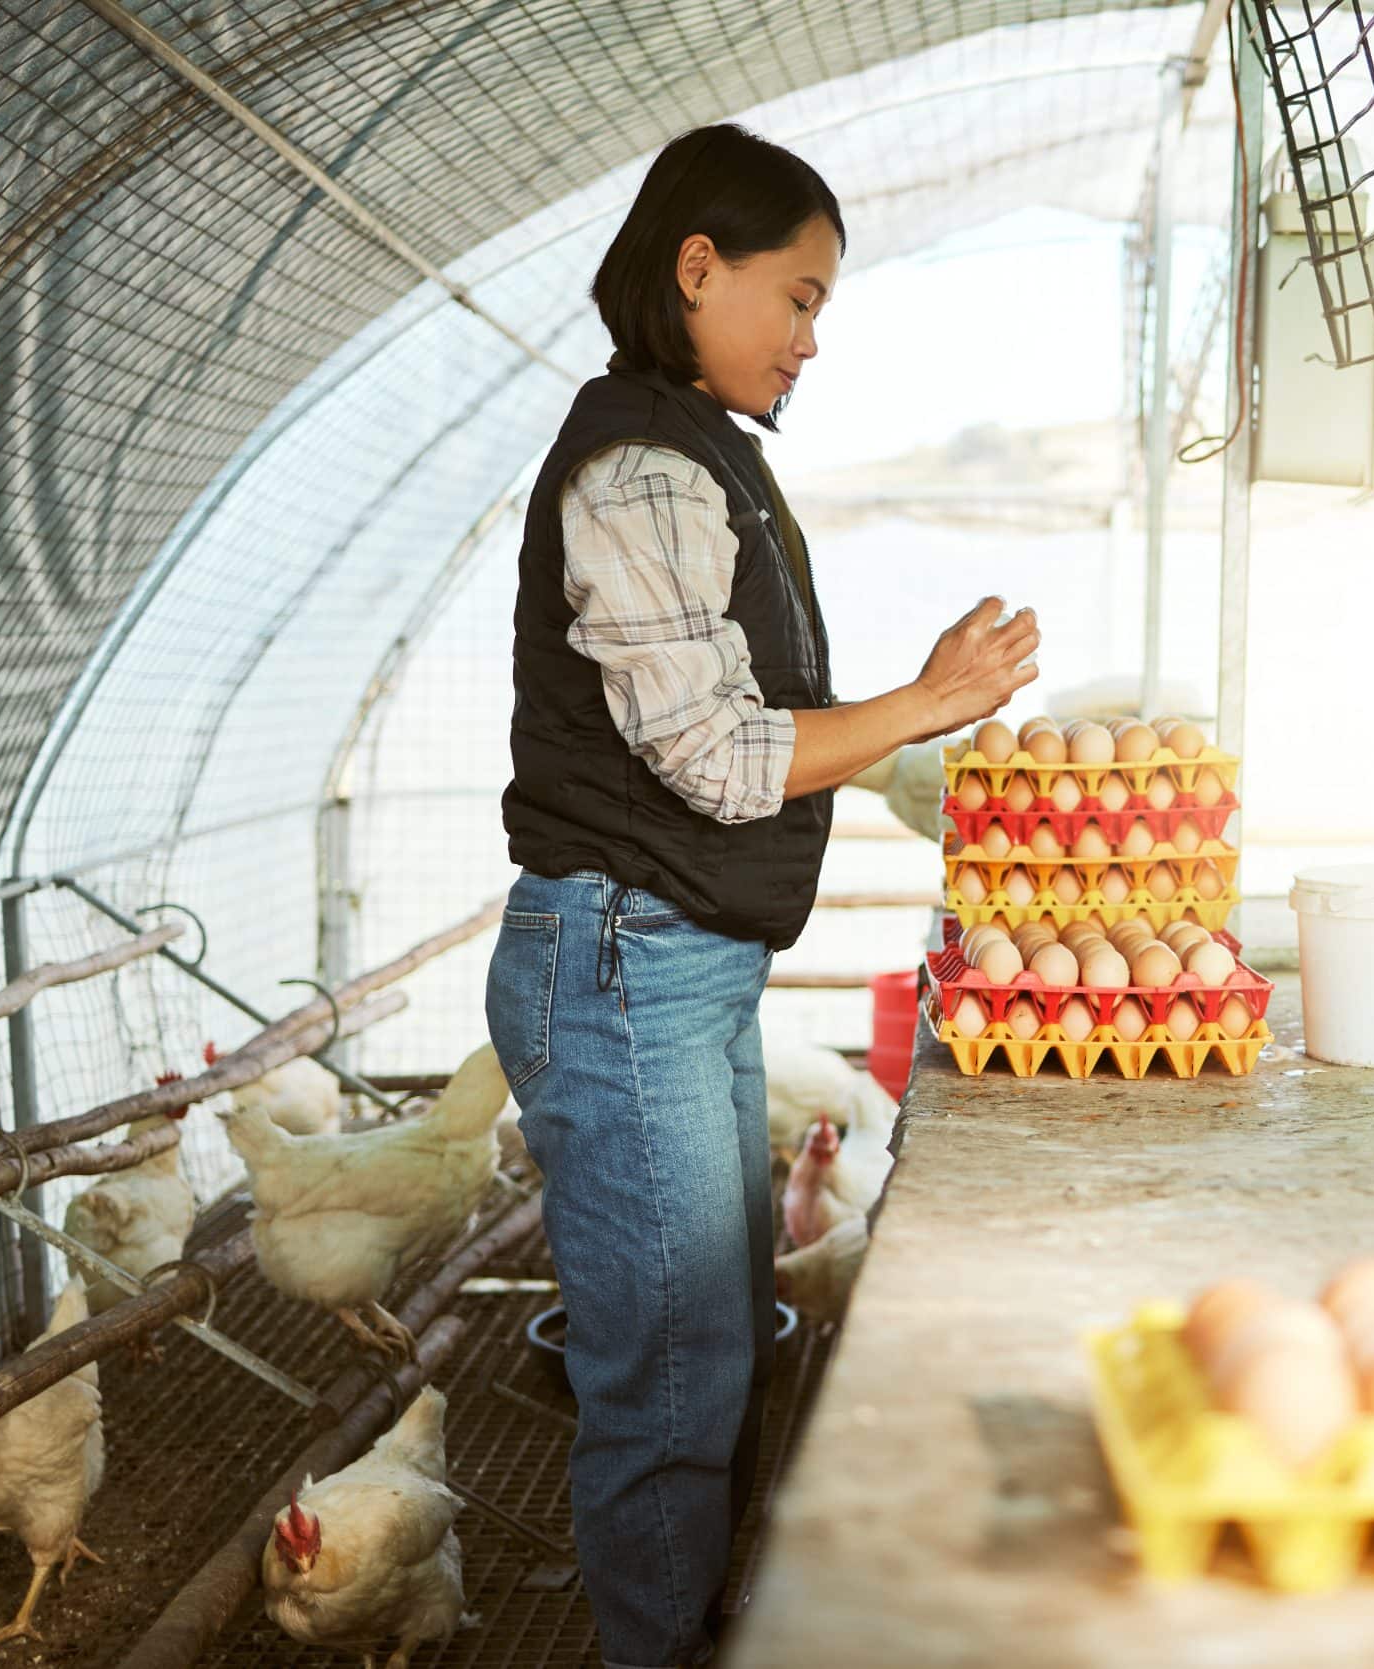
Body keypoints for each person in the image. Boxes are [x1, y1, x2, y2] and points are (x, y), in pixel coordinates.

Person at [482, 124, 1039, 1669]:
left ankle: (700, 1628)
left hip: (676, 963)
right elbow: (725, 759)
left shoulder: (701, 458)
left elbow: (746, 727)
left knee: (718, 1343)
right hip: (620, 961)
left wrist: (919, 745)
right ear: (696, 267)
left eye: (821, 311)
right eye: (794, 298)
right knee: (669, 1382)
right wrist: (921, 706)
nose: (807, 340)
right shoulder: (642, 469)